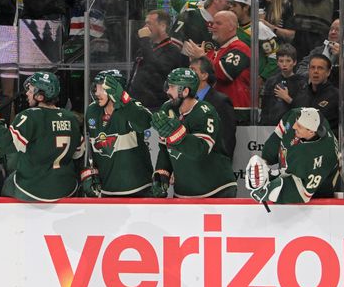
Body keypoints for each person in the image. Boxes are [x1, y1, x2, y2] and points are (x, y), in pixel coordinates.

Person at [0, 72, 84, 201]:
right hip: (66, 187)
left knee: (9, 182)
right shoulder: (71, 118)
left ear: (40, 96)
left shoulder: (30, 116)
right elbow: (78, 153)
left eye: (31, 90)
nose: (27, 93)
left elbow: (7, 145)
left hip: (34, 189)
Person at [151, 67, 237, 198]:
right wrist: (162, 173)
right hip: (184, 191)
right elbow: (165, 148)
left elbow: (200, 150)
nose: (167, 91)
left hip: (216, 190)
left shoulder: (205, 112)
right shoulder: (167, 108)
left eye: (172, 87)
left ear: (185, 91)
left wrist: (174, 133)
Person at [245, 107, 341, 203]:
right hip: (293, 172)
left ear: (311, 131)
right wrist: (264, 161)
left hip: (319, 199)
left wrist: (268, 192)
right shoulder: (297, 115)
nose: (294, 126)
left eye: (299, 126)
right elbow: (278, 137)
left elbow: (304, 194)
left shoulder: (323, 155)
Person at [82, 70, 154, 197]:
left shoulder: (131, 107)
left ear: (117, 89)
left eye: (102, 88)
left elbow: (146, 122)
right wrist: (91, 171)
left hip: (138, 189)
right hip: (107, 190)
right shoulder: (92, 111)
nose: (97, 92)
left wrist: (125, 101)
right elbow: (92, 150)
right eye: (96, 87)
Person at [129, 10, 187, 110]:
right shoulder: (146, 47)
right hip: (136, 104)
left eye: (149, 23)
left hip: (155, 106)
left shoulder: (172, 50)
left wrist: (145, 40)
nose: (145, 27)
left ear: (163, 26)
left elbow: (156, 68)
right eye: (145, 23)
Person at [189, 56, 236, 159]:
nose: (188, 74)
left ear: (204, 75)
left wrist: (220, 165)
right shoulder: (185, 101)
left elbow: (227, 140)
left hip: (212, 164)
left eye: (193, 70)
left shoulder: (221, 102)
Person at [260, 44, 306, 126]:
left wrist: (287, 98)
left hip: (294, 126)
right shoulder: (271, 82)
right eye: (281, 61)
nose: (284, 64)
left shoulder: (301, 82)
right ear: (277, 62)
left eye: (288, 61)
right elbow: (265, 107)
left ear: (294, 62)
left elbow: (304, 108)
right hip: (272, 126)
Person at [295, 54, 340, 135]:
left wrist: (323, 135)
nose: (315, 71)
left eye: (320, 68)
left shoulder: (337, 96)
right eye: (312, 67)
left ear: (328, 72)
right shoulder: (301, 95)